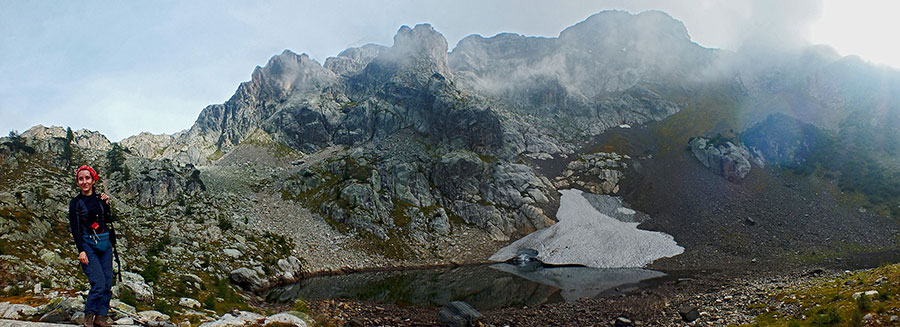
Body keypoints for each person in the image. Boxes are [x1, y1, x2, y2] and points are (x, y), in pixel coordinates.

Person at [68, 165, 116, 327]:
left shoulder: (100, 199)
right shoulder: (75, 203)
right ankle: (89, 315)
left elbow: (106, 220)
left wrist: (107, 205)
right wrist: (81, 250)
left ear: (93, 179)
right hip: (88, 245)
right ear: (77, 182)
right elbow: (75, 229)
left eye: (87, 178)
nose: (84, 182)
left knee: (108, 283)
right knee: (98, 282)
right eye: (81, 179)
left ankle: (101, 317)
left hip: (105, 244)